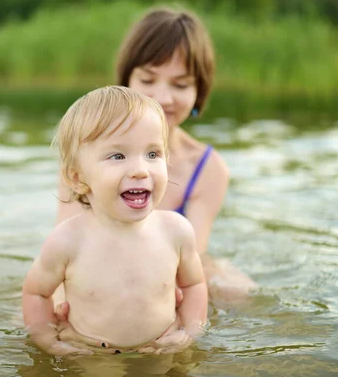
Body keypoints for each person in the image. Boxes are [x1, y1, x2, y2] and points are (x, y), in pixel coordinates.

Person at [54, 6, 257, 338]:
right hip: (94, 256)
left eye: (180, 84)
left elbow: (189, 260)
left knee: (239, 292)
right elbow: (64, 246)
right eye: (148, 80)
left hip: (170, 262)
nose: (162, 98)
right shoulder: (87, 154)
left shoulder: (208, 168)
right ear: (126, 82)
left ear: (198, 92)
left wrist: (182, 329)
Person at [22, 86, 208, 356]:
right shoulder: (68, 240)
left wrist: (190, 330)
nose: (140, 170)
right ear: (77, 177)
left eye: (153, 154)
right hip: (92, 353)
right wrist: (46, 337)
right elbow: (36, 293)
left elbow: (194, 285)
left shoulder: (176, 231)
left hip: (159, 350)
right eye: (118, 156)